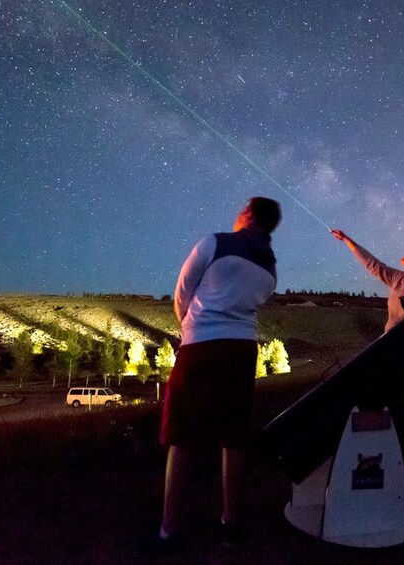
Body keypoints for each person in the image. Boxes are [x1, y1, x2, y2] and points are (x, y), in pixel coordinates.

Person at [155, 196, 281, 555]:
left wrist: (190, 328)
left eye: (242, 209)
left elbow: (182, 293)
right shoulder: (270, 269)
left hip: (201, 347)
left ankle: (169, 531)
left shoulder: (214, 242)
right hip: (242, 350)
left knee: (180, 436)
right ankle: (230, 522)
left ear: (248, 215)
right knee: (234, 435)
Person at [330, 230, 404, 467]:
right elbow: (373, 264)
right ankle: (390, 446)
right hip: (391, 349)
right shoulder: (399, 279)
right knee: (386, 397)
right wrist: (348, 241)